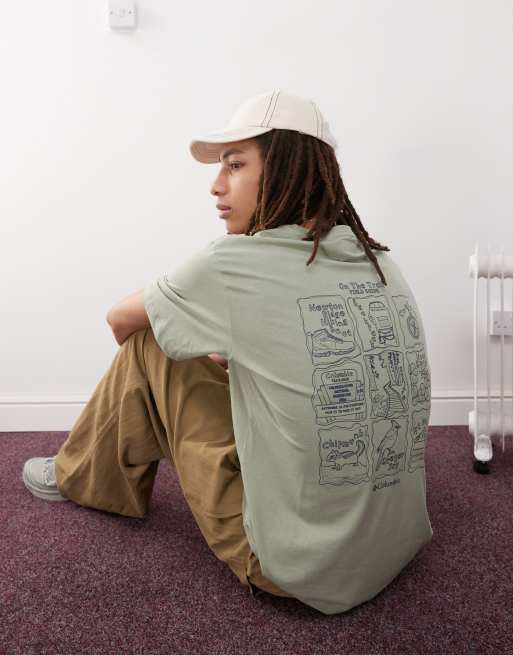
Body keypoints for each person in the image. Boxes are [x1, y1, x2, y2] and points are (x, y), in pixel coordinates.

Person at [22, 90, 433, 615]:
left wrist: (192, 352)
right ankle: (95, 463)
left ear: (288, 171)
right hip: (393, 544)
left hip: (293, 568)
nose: (216, 185)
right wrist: (236, 351)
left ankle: (80, 473)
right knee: (212, 354)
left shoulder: (234, 262)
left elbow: (119, 320)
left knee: (150, 344)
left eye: (235, 165)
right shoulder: (378, 259)